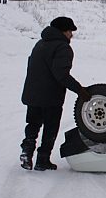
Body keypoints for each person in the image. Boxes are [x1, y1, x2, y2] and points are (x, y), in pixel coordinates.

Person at [20, 17, 91, 171]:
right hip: (51, 97)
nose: (71, 34)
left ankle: (27, 151)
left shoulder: (40, 44)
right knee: (50, 128)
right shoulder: (63, 48)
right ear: (63, 31)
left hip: (33, 94)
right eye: (70, 31)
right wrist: (80, 90)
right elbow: (61, 75)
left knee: (33, 124)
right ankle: (42, 160)